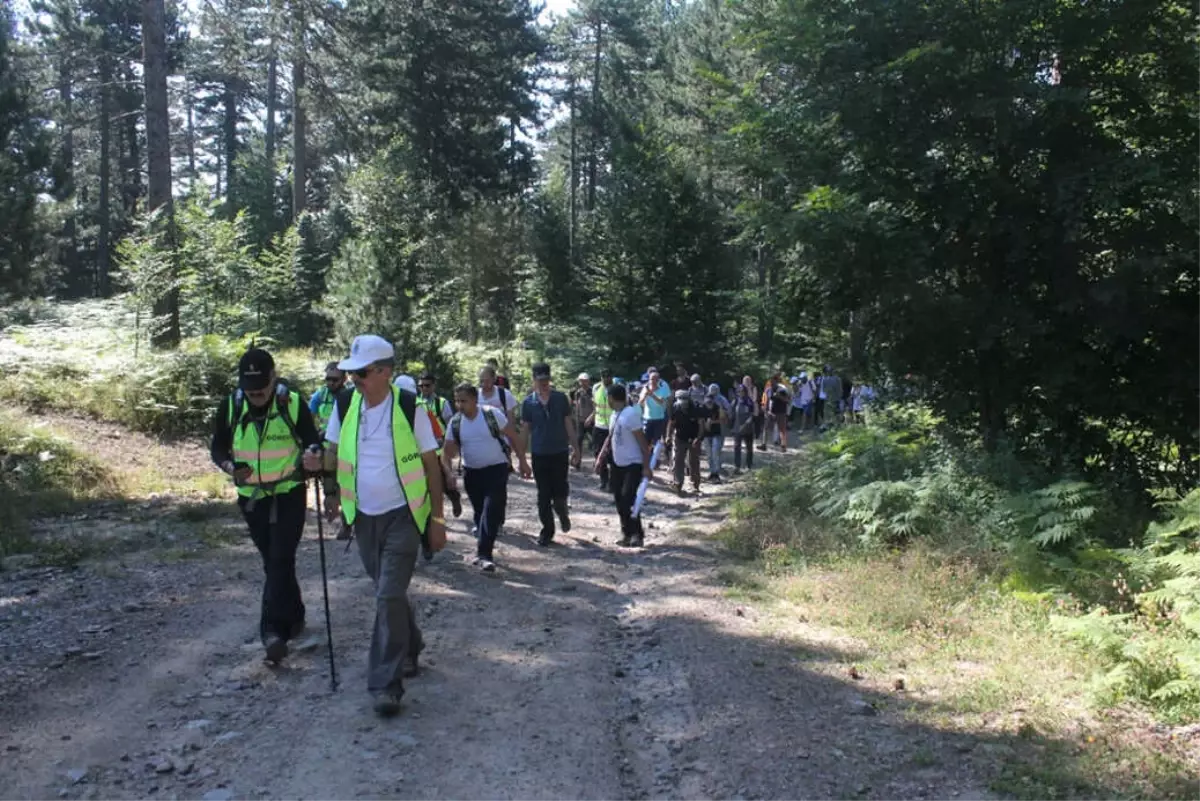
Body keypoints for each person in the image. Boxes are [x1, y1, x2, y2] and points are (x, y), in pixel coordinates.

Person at [316, 334, 446, 718]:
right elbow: (333, 455)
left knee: (387, 595)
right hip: (364, 520)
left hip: (404, 517)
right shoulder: (344, 404)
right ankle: (411, 644)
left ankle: (385, 684)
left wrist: (437, 520)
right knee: (389, 591)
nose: (354, 379)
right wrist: (319, 473)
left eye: (363, 373)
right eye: (352, 373)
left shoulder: (410, 408)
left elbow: (430, 466)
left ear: (386, 372)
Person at [211, 347, 323, 664]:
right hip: (251, 498)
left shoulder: (292, 403)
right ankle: (295, 614)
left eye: (261, 386)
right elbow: (218, 446)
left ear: (274, 378)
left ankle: (272, 632)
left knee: (279, 557)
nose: (256, 393)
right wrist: (231, 467)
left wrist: (313, 453)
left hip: (289, 491)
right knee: (272, 561)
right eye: (250, 389)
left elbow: (310, 437)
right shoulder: (231, 406)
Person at [442, 382, 530, 572]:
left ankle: (484, 554)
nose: (459, 405)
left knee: (490, 511)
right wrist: (448, 473)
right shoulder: (456, 423)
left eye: (463, 401)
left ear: (474, 400)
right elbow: (446, 452)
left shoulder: (491, 415)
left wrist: (522, 460)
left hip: (496, 469)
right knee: (480, 512)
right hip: (471, 472)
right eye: (457, 401)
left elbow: (513, 437)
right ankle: (484, 546)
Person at [398, 373, 463, 539]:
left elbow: (439, 432)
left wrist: (444, 443)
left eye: (427, 385)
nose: (424, 389)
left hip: (432, 453)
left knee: (441, 481)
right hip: (406, 460)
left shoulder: (423, 407)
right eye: (421, 386)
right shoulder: (389, 409)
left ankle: (452, 498)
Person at [521, 362, 577, 546]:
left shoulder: (560, 398)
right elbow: (525, 430)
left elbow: (568, 423)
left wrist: (576, 448)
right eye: (540, 380)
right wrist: (522, 458)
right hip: (539, 453)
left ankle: (562, 511)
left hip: (560, 451)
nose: (544, 383)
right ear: (534, 381)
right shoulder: (528, 403)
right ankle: (547, 531)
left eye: (546, 380)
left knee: (559, 491)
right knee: (543, 494)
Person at [595, 384, 652, 547]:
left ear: (612, 398)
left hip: (633, 463)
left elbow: (643, 443)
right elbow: (610, 437)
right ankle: (626, 533)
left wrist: (646, 466)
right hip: (617, 463)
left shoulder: (631, 415)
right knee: (619, 499)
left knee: (629, 498)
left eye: (608, 398)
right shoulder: (615, 414)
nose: (608, 401)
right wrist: (601, 457)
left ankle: (637, 534)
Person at [667, 388, 703, 496]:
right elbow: (671, 423)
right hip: (680, 437)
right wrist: (668, 435)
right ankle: (678, 484)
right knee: (678, 461)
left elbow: (701, 425)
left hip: (693, 437)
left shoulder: (696, 408)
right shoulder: (675, 408)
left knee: (694, 462)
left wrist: (698, 438)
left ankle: (695, 484)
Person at [587, 369, 614, 491]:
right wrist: (591, 417)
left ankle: (614, 482)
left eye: (608, 376)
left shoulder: (616, 389)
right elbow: (596, 406)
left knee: (613, 456)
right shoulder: (596, 388)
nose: (606, 379)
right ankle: (604, 480)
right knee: (598, 453)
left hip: (612, 426)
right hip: (599, 425)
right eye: (603, 376)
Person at [309, 362, 346, 436]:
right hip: (323, 441)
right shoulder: (321, 394)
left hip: (342, 440)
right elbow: (309, 419)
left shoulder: (351, 396)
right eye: (328, 379)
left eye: (335, 380)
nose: (331, 383)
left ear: (344, 379)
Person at [703, 383, 730, 482]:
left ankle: (716, 472)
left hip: (717, 433)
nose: (709, 402)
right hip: (706, 434)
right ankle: (712, 472)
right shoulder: (703, 407)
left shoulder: (719, 406)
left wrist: (712, 421)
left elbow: (724, 419)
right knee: (709, 454)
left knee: (716, 452)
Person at [639, 368, 672, 448]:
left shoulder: (662, 388)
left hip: (659, 419)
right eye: (651, 379)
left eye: (655, 379)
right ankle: (648, 458)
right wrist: (645, 396)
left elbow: (661, 402)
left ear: (658, 380)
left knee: (656, 442)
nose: (652, 381)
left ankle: (656, 458)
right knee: (646, 442)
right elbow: (640, 403)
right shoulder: (645, 388)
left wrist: (652, 395)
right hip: (647, 419)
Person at [731, 384, 756, 474]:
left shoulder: (749, 402)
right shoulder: (735, 401)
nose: (740, 393)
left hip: (748, 428)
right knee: (737, 447)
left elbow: (752, 415)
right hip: (737, 428)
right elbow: (732, 414)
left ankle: (749, 466)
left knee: (749, 448)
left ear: (745, 392)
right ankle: (737, 466)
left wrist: (746, 424)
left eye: (742, 391)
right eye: (738, 391)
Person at [572, 372, 595, 464]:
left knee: (595, 441)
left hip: (591, 420)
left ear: (588, 381)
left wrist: (591, 418)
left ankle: (598, 461)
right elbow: (576, 406)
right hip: (580, 421)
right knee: (578, 440)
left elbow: (596, 407)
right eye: (581, 381)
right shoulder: (577, 392)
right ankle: (577, 461)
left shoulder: (592, 392)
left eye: (585, 381)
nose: (583, 383)